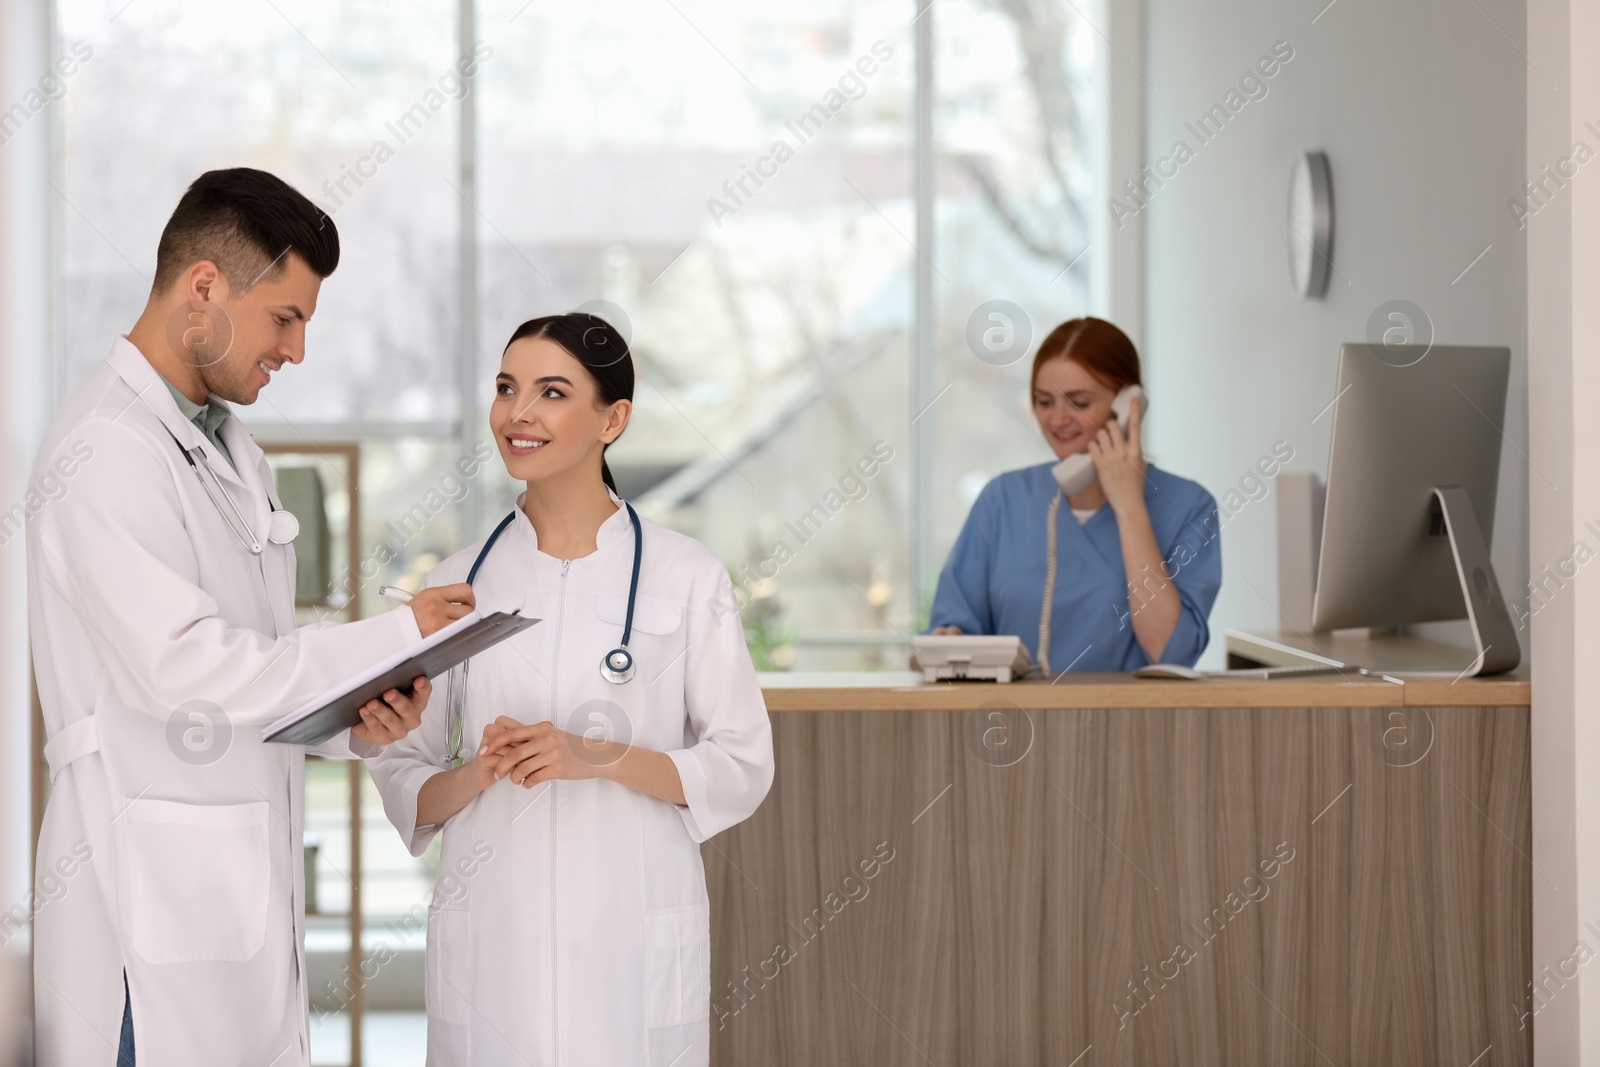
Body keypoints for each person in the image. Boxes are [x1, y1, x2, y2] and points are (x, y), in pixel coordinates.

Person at [26, 168, 473, 1066]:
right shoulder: (104, 449)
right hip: (142, 933)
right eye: (285, 317)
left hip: (229, 912)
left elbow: (256, 667)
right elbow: (182, 668)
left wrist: (360, 716)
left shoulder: (227, 448)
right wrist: (392, 637)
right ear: (204, 289)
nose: (297, 350)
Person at [368, 313, 774, 1066]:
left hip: (631, 933)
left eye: (551, 392)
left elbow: (742, 764)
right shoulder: (455, 584)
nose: (518, 413)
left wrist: (598, 754)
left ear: (612, 418)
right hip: (495, 938)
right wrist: (478, 772)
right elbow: (402, 775)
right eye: (505, 388)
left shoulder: (687, 575)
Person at [928, 317, 1221, 670]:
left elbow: (1171, 654)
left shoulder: (1189, 507)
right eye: (1044, 401)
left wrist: (1129, 506)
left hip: (1136, 723)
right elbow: (951, 639)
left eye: (1079, 403)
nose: (1058, 419)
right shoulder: (1002, 500)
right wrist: (950, 642)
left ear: (1129, 405)